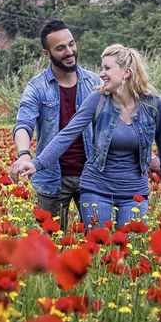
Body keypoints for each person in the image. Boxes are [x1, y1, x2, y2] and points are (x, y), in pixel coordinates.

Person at [17, 44, 161, 230]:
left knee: (130, 243)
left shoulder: (154, 105)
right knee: (99, 249)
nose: (101, 74)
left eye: (107, 68)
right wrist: (36, 163)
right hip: (97, 188)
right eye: (102, 68)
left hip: (135, 191)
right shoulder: (97, 100)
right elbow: (66, 136)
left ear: (127, 73)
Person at [10, 20, 101, 231]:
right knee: (51, 246)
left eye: (71, 44)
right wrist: (24, 154)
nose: (69, 51)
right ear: (47, 53)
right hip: (51, 177)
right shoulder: (37, 87)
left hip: (92, 175)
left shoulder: (95, 82)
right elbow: (24, 123)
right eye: (60, 48)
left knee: (99, 244)